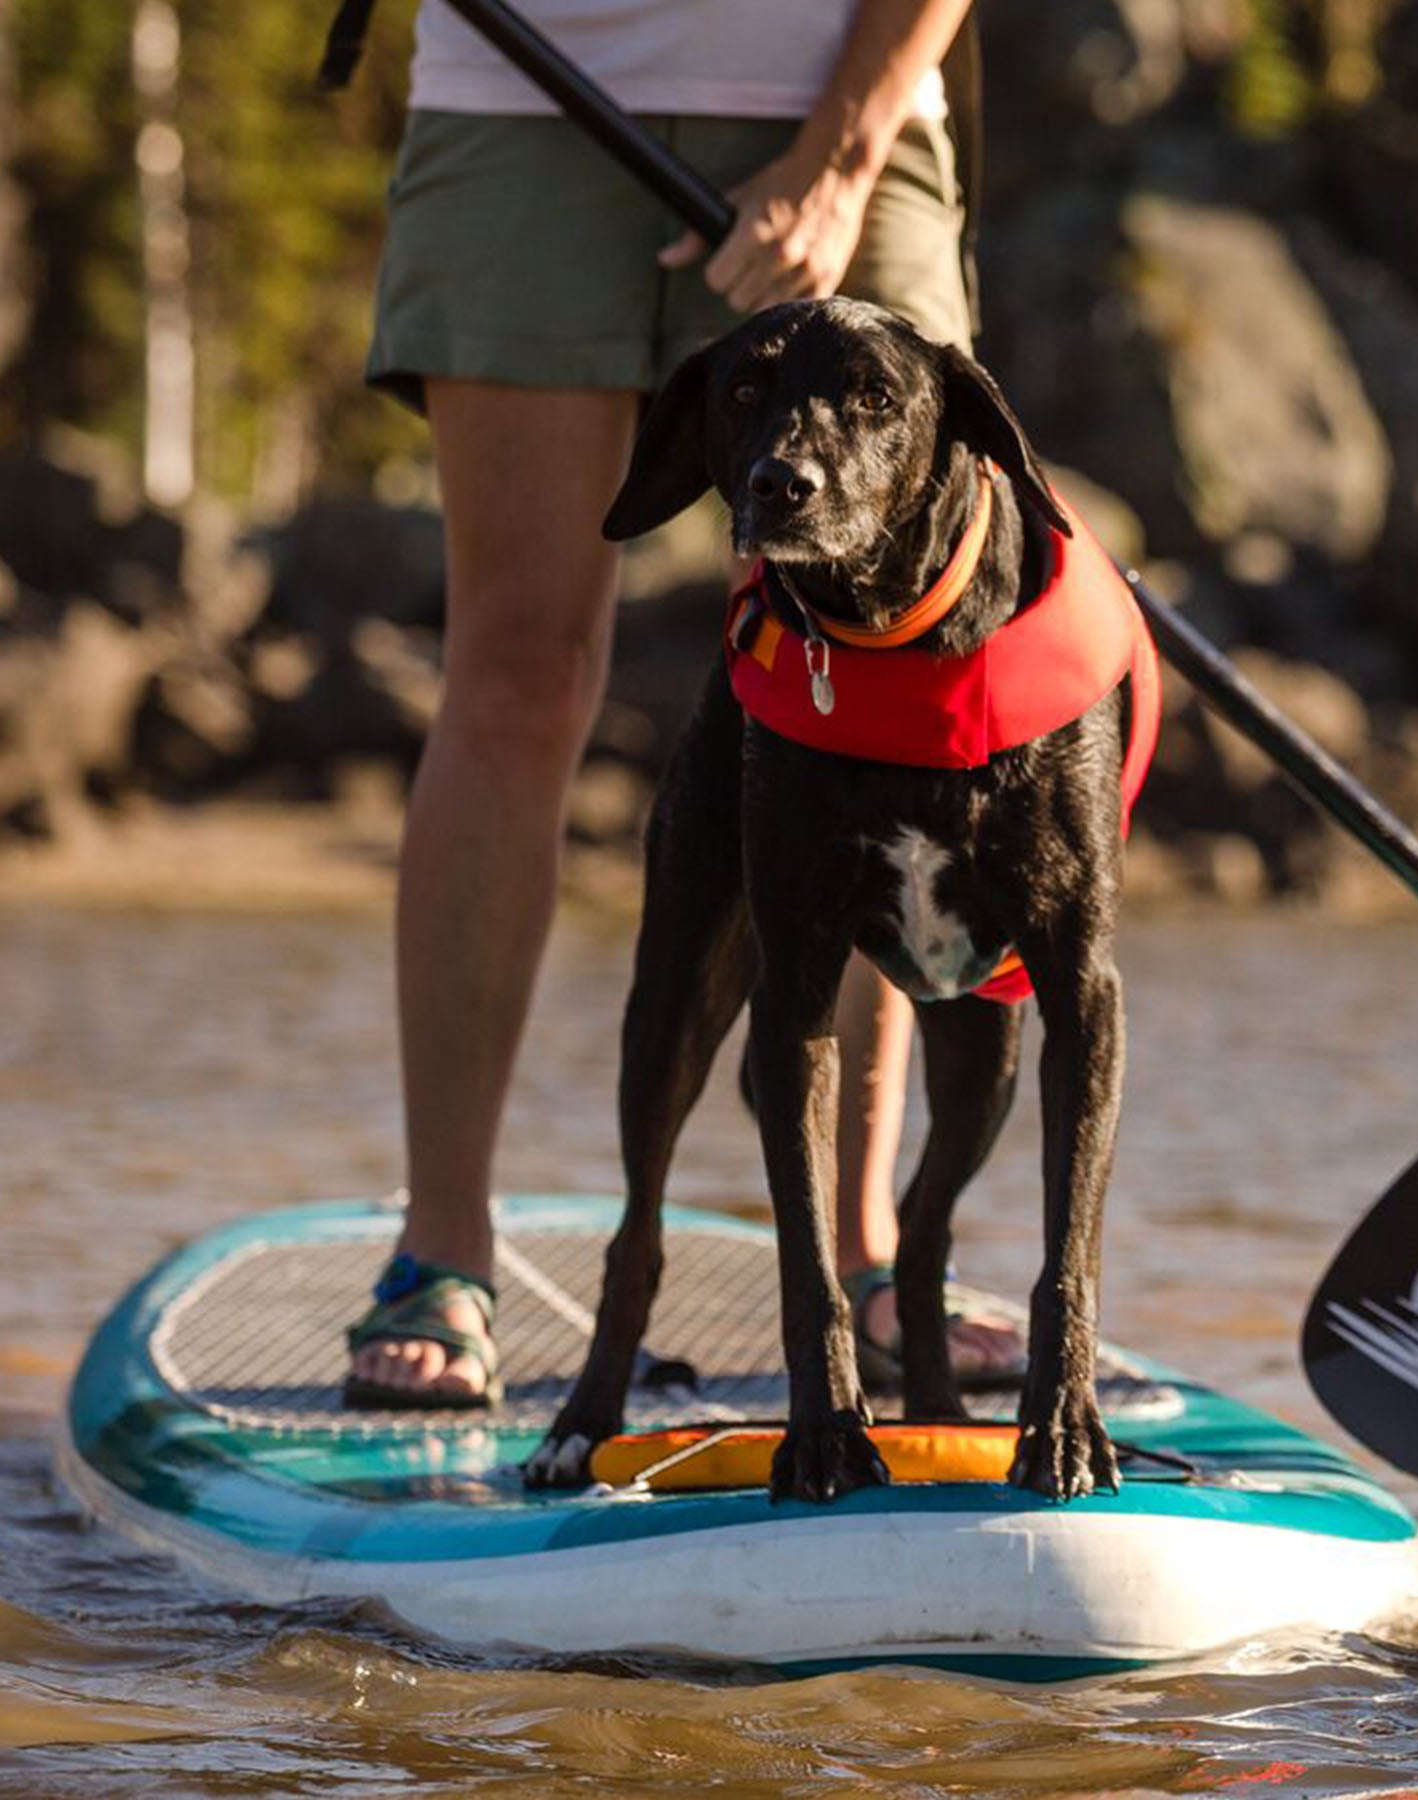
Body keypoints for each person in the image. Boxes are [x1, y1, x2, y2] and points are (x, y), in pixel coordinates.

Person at [341, 0, 1027, 1408]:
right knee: (518, 672)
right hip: (521, 103)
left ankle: (864, 1253)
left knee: (890, 682)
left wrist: (840, 153)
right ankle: (442, 1255)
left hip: (858, 105)